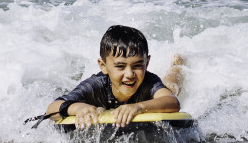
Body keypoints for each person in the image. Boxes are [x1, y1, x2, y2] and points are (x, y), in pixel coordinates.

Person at [45, 25, 181, 129]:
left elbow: (173, 102)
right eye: (120, 66)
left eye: (138, 65)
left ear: (147, 63)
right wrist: (77, 108)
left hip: (148, 97)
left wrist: (138, 107)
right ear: (103, 66)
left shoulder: (149, 81)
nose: (129, 74)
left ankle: (176, 66)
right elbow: (51, 109)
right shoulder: (95, 85)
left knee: (171, 87)